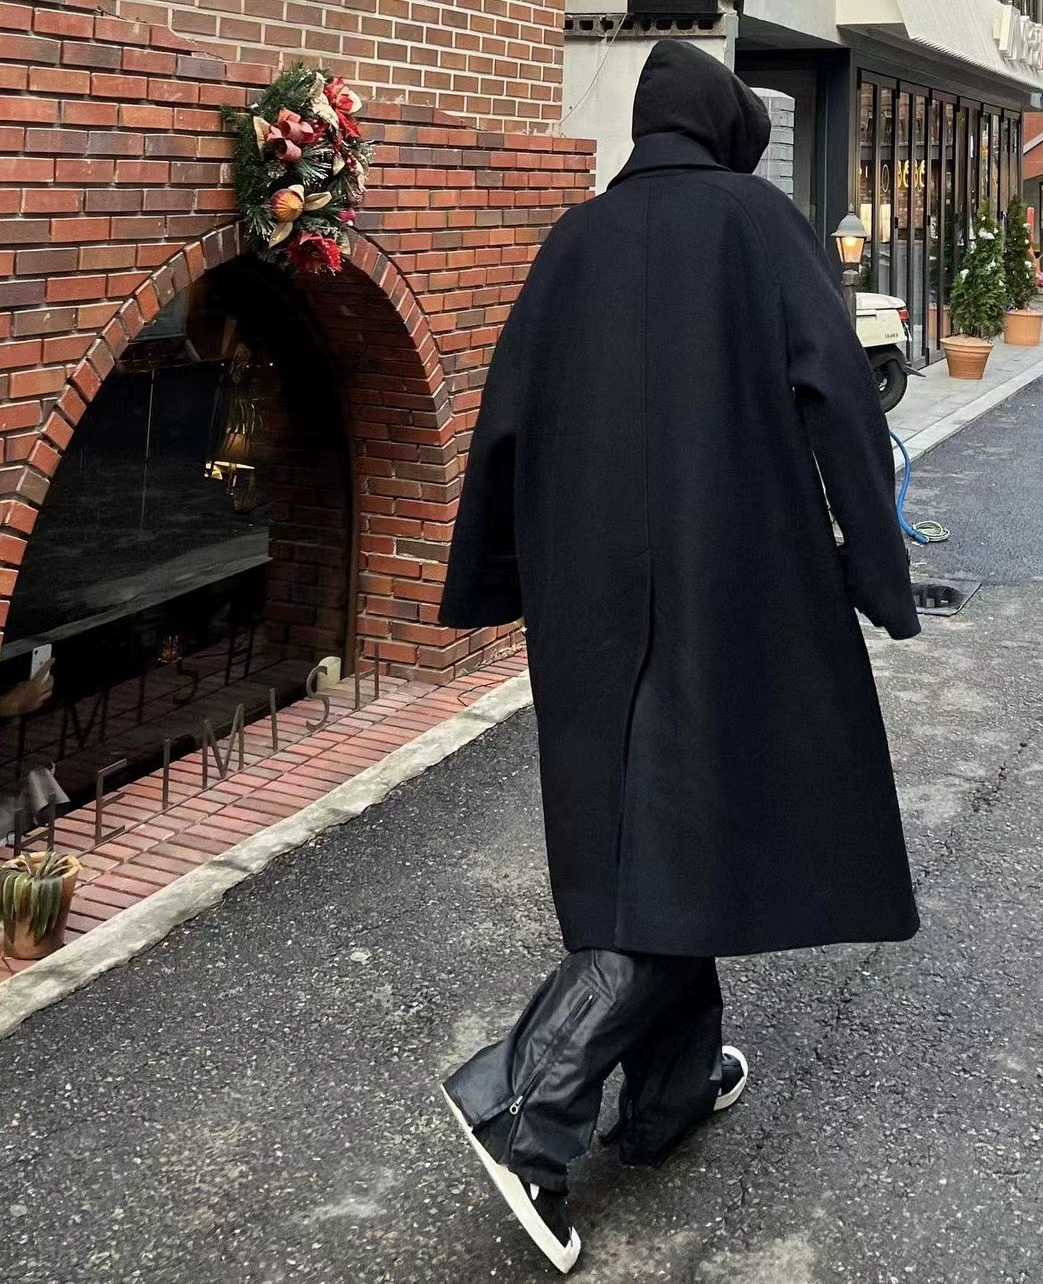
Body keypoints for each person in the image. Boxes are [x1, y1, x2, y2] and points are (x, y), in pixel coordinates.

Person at [437, 40, 921, 1274]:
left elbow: (504, 417)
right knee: (704, 815)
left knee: (649, 825)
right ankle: (526, 1098)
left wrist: (495, 578)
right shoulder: (760, 226)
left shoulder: (572, 242)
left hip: (586, 593)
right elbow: (842, 402)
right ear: (725, 129)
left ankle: (668, 1093)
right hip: (735, 580)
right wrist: (878, 573)